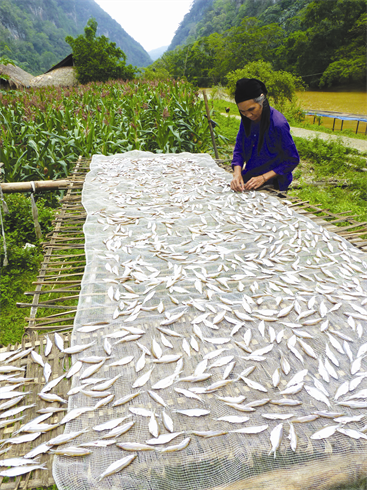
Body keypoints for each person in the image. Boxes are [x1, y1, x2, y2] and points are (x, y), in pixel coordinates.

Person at [230, 78, 299, 192]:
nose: (248, 115)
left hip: (273, 183)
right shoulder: (246, 120)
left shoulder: (278, 124)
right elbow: (239, 149)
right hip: (250, 179)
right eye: (242, 111)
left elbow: (292, 159)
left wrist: (263, 178)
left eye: (251, 109)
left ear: (262, 100)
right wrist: (237, 173)